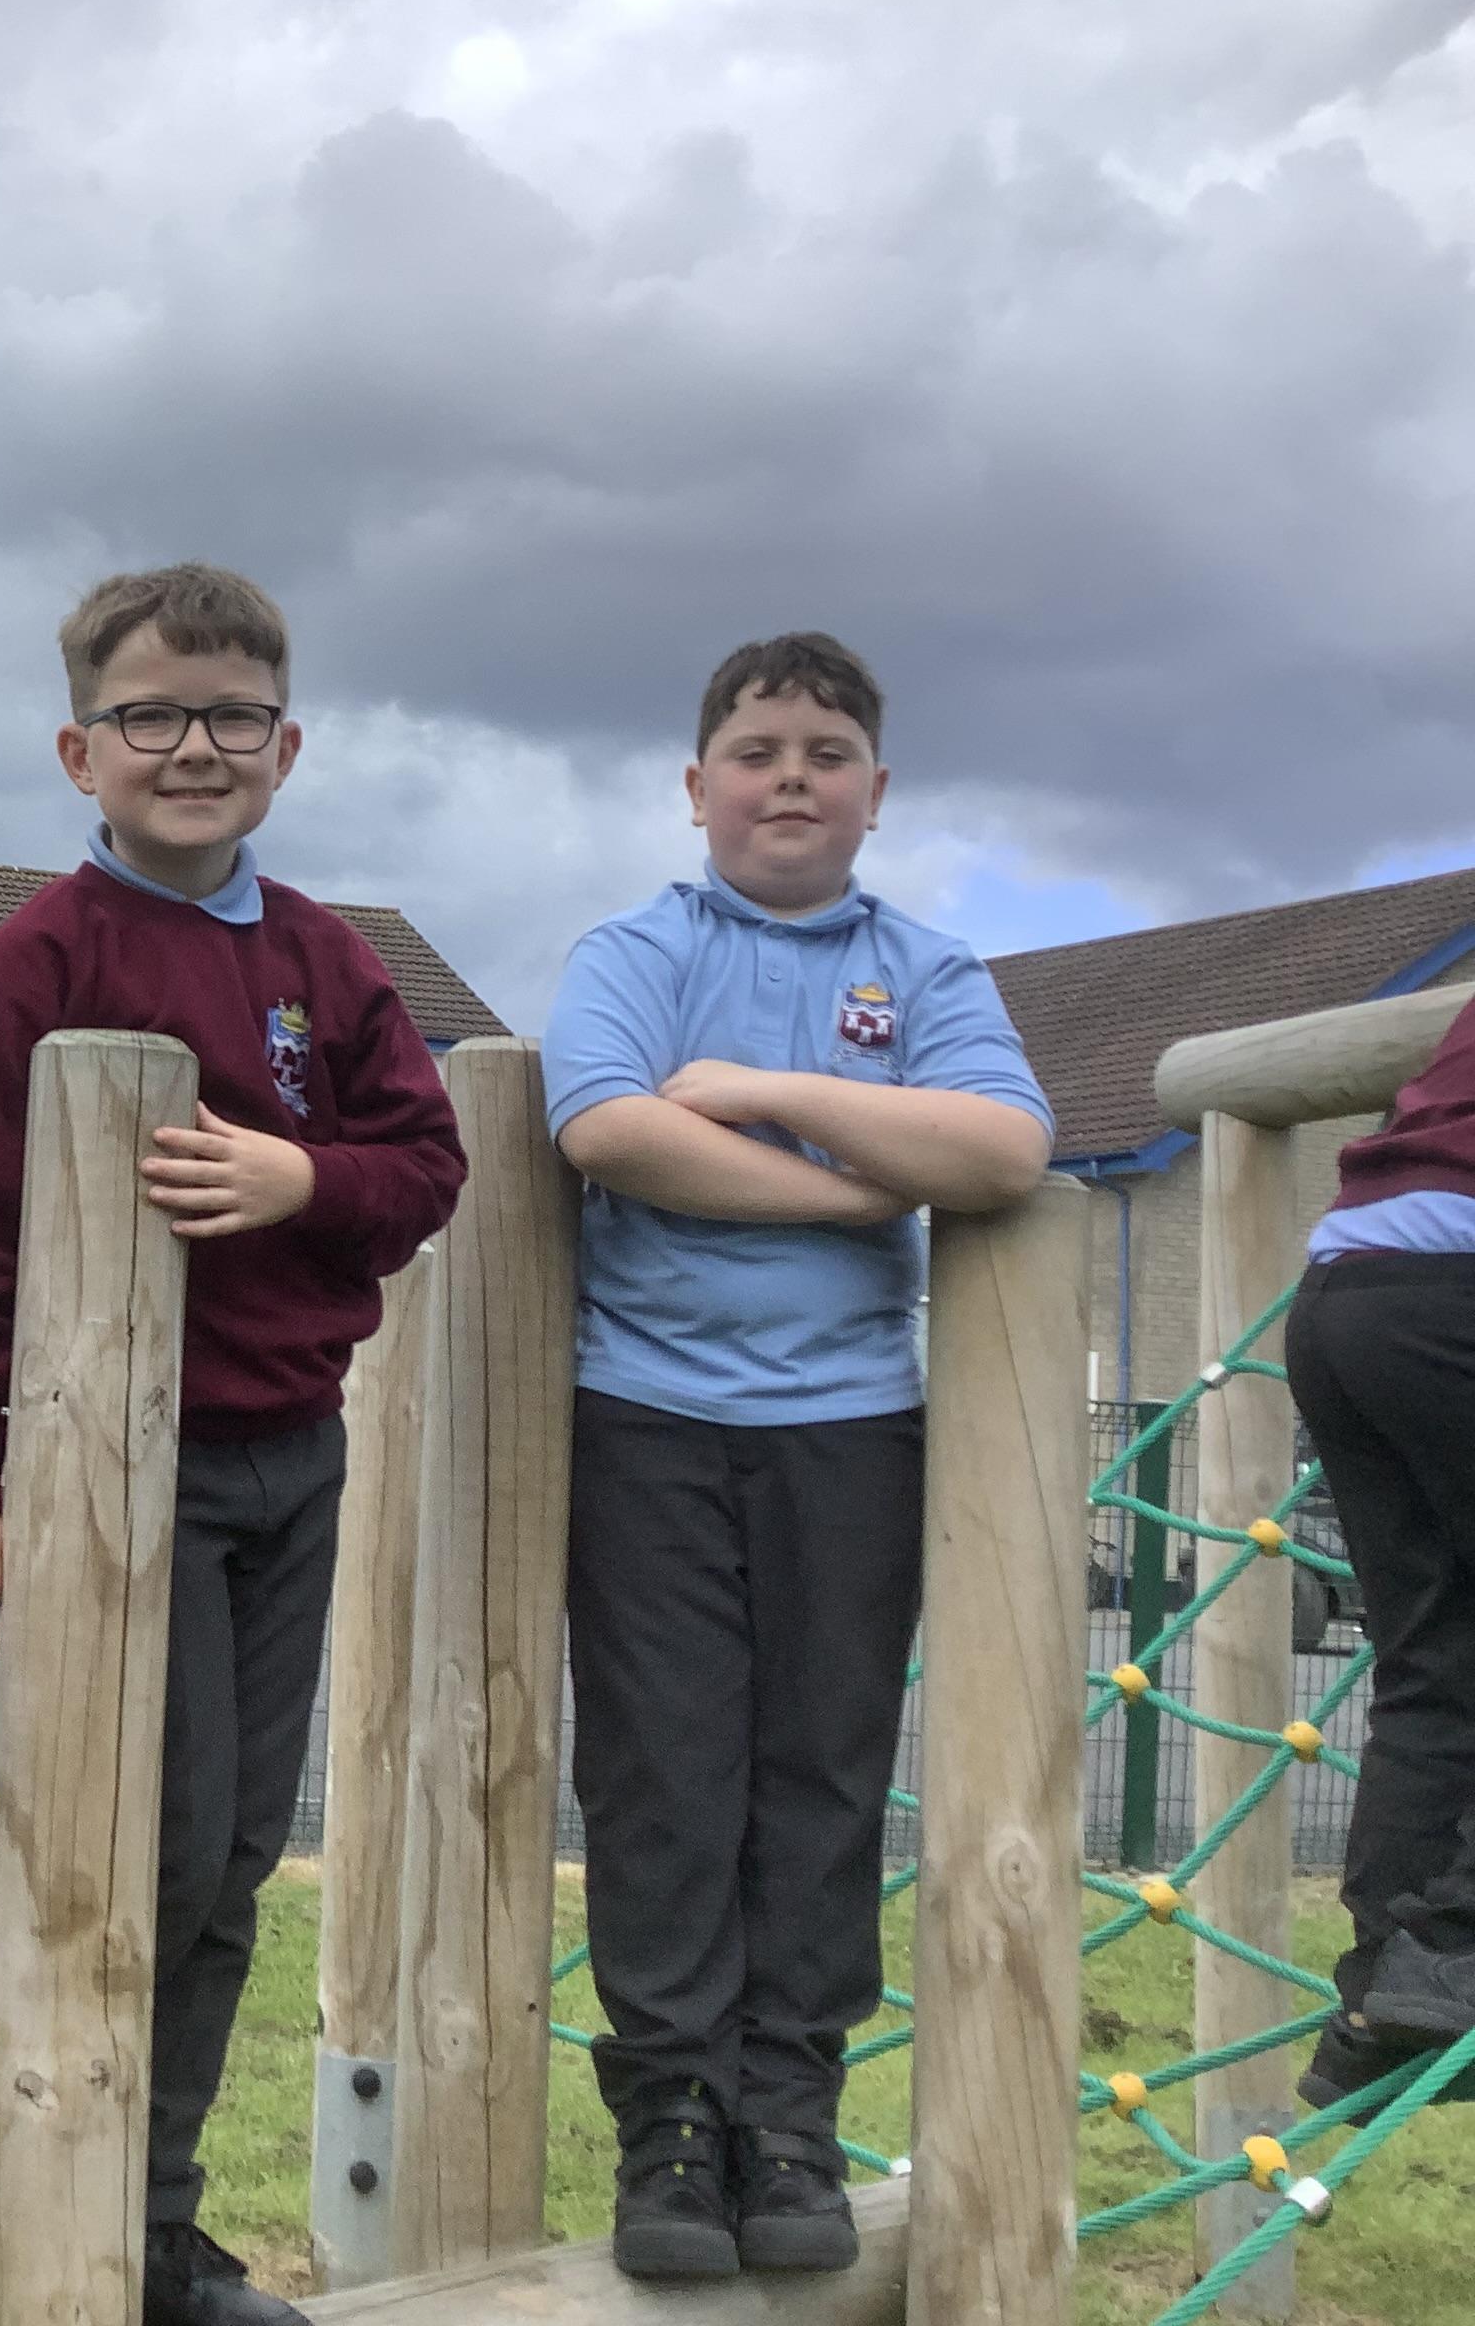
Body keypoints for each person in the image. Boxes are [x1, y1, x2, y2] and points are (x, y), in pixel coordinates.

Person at [0, 564, 467, 2326]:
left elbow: (423, 1164)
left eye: (231, 716)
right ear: (82, 749)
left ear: (286, 748)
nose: (193, 746)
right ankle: (5, 2203)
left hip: (292, 1457)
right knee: (144, 1843)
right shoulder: (38, 962)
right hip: (110, 1474)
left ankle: (142, 2219)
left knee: (223, 1865)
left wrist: (304, 1178)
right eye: (150, 714)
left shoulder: (323, 962)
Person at [541, 632, 1050, 2281]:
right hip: (647, 1419)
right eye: (756, 752)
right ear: (697, 786)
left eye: (825, 755)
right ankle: (674, 2126)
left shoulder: (929, 971)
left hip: (851, 1429)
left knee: (824, 1773)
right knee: (664, 1771)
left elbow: (1000, 1145)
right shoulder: (634, 950)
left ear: (874, 792)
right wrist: (862, 1183)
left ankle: (789, 2122)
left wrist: (769, 1090)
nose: (788, 779)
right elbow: (610, 1124)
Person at [1286, 993, 1475, 2109]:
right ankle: (1449, 1950)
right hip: (1458, 1288)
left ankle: (1382, 1998)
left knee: (1434, 1657)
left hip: (1346, 1290)